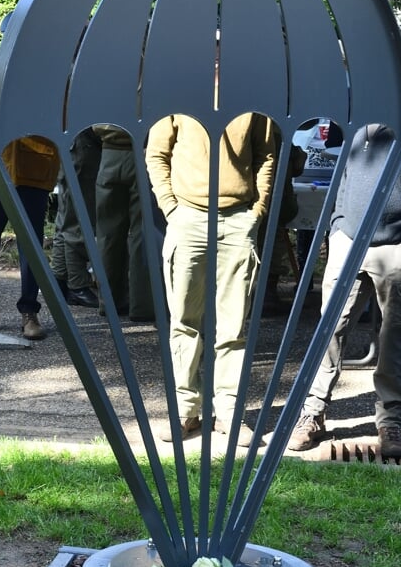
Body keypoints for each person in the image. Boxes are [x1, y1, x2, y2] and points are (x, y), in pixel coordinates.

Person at [289, 97, 401, 459]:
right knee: (328, 329)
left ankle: (390, 421)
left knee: (393, 338)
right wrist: (337, 225)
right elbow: (344, 173)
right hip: (347, 242)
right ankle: (312, 413)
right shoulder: (358, 115)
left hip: (394, 245)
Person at [147, 112, 278, 446]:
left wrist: (257, 211)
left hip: (238, 220)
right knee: (184, 323)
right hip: (187, 218)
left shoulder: (253, 100)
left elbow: (266, 155)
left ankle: (229, 414)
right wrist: (171, 208)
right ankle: (185, 411)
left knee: (233, 328)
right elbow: (156, 153)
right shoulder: (178, 94)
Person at [0, 22, 58, 340]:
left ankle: (29, 311)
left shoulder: (50, 71)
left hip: (34, 167)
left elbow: (60, 111)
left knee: (30, 243)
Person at [93, 124, 155, 321]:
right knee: (143, 233)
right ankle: (142, 305)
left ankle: (108, 302)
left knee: (107, 234)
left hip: (108, 153)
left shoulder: (101, 90)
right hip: (144, 153)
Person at [48, 128, 101, 308]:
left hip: (74, 142)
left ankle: (59, 280)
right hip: (82, 143)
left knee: (67, 217)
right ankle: (77, 285)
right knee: (77, 219)